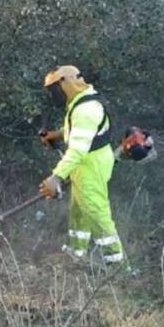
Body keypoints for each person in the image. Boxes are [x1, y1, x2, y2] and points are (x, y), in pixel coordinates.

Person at [38, 65, 126, 266]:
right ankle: (75, 254)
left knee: (95, 211)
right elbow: (78, 130)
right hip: (86, 164)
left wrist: (56, 177)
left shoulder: (86, 110)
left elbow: (77, 150)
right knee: (80, 211)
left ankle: (117, 265)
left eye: (54, 90)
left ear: (66, 83)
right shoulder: (81, 102)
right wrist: (56, 135)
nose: (54, 96)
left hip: (91, 165)